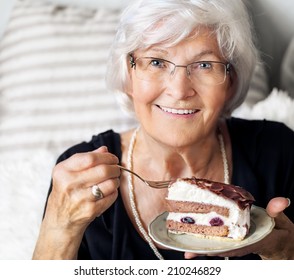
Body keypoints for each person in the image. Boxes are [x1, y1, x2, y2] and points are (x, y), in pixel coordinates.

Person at [32, 0, 294, 260]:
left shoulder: (278, 151)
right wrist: (59, 227)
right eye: (156, 62)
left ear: (230, 81)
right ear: (128, 76)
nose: (179, 91)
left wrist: (285, 256)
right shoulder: (81, 176)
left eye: (204, 64)